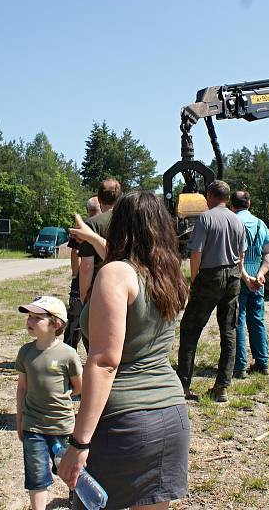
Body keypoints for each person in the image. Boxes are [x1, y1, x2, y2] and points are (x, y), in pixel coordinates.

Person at [57, 191, 191, 510]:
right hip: (171, 415)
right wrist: (92, 237)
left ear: (119, 227)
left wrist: (79, 442)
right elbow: (124, 265)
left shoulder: (115, 275)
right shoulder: (168, 276)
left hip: (125, 424)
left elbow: (104, 362)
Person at [176, 180, 246, 403]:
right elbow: (241, 254)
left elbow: (196, 252)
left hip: (210, 276)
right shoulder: (237, 220)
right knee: (229, 332)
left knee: (190, 329)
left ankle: (183, 385)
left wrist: (194, 279)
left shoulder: (205, 217)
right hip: (233, 276)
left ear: (210, 196)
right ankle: (221, 387)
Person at [15, 296, 82, 510]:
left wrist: (63, 396)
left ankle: (76, 495)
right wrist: (20, 420)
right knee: (36, 474)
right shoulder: (25, 352)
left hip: (62, 425)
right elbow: (22, 388)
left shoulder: (68, 355)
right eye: (29, 317)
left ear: (56, 324)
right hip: (33, 425)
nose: (30, 321)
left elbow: (78, 387)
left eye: (37, 318)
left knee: (68, 469)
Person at [230, 191, 269, 378]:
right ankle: (262, 363)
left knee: (238, 321)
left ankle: (239, 367)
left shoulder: (231, 222)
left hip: (238, 279)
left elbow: (234, 255)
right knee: (257, 320)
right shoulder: (260, 223)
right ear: (249, 204)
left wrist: (246, 277)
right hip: (258, 280)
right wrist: (260, 274)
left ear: (232, 205)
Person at [77, 179, 121, 305]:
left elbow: (86, 266)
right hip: (129, 286)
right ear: (120, 198)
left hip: (100, 287)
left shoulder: (91, 224)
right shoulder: (132, 222)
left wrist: (84, 299)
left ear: (99, 199)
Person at [64, 197, 100, 350]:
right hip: (102, 277)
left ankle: (67, 355)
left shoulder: (81, 227)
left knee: (75, 320)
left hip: (81, 281)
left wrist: (75, 274)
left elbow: (74, 252)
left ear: (87, 210)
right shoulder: (111, 224)